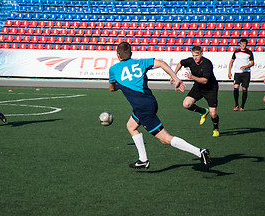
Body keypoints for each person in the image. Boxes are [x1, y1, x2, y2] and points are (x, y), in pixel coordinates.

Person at [108, 42, 211, 170]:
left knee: (165, 139)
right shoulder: (141, 63)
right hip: (149, 102)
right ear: (131, 53)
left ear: (117, 55)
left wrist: (121, 85)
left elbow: (112, 88)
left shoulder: (113, 69)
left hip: (143, 108)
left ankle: (199, 152)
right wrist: (176, 78)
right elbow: (162, 63)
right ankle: (143, 159)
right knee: (131, 125)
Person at [173, 46, 220, 137]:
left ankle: (216, 129)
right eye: (193, 55)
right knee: (186, 104)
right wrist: (174, 75)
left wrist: (192, 77)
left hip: (210, 89)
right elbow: (180, 63)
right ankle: (203, 111)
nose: (195, 58)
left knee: (213, 113)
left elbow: (205, 81)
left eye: (197, 55)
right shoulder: (190, 61)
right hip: (198, 87)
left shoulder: (207, 64)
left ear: (201, 54)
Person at [228, 38, 255, 111]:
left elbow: (252, 63)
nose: (243, 45)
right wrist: (229, 72)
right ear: (239, 44)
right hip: (237, 72)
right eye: (241, 44)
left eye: (244, 44)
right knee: (236, 87)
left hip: (246, 73)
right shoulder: (236, 52)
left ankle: (242, 106)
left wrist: (246, 66)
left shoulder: (249, 52)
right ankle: (236, 104)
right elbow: (231, 61)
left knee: (244, 89)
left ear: (246, 44)